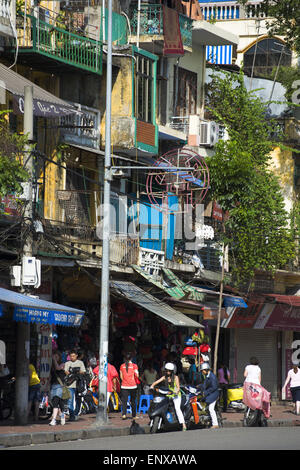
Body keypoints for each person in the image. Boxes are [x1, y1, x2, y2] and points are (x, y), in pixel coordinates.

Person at [151, 362, 187, 431]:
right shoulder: (164, 377)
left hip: (176, 396)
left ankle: (183, 424)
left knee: (177, 408)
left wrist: (176, 391)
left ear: (172, 371)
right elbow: (156, 382)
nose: (168, 372)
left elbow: (178, 387)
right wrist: (152, 386)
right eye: (166, 370)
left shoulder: (176, 377)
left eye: (169, 371)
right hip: (168, 394)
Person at [64, 350, 86, 421]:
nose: (72, 357)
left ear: (76, 355)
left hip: (79, 384)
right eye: (71, 356)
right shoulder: (67, 363)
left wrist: (76, 371)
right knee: (70, 400)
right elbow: (66, 372)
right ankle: (72, 415)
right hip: (70, 385)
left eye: (73, 356)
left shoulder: (80, 363)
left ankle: (76, 413)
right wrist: (72, 372)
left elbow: (83, 371)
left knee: (78, 399)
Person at [199, 363, 220, 429]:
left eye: (202, 370)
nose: (202, 372)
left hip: (214, 394)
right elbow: (205, 385)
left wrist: (205, 392)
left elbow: (214, 387)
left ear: (206, 370)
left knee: (211, 409)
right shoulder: (207, 376)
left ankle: (215, 424)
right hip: (210, 394)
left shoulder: (212, 377)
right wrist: (199, 386)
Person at [119, 352, 139, 420]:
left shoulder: (122, 366)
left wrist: (125, 380)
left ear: (125, 358)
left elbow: (121, 376)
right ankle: (134, 416)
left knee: (124, 401)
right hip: (133, 386)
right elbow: (137, 375)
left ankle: (124, 415)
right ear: (131, 358)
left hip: (124, 385)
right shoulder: (134, 366)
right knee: (133, 401)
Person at [49, 352, 67, 426]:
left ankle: (53, 420)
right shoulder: (52, 366)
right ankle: (62, 417)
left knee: (57, 402)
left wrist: (54, 360)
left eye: (57, 357)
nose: (55, 358)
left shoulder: (63, 364)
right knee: (57, 403)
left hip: (60, 386)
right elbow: (50, 376)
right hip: (53, 386)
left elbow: (58, 368)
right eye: (54, 357)